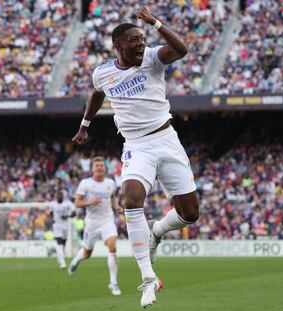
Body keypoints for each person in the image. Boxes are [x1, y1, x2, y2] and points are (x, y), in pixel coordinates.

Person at [72, 7, 199, 308]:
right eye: (134, 40)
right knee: (130, 198)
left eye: (143, 38)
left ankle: (156, 231)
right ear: (119, 46)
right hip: (136, 145)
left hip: (166, 138)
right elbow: (97, 94)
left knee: (190, 214)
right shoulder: (103, 73)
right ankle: (148, 278)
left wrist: (154, 23)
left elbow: (181, 49)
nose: (141, 43)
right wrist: (84, 126)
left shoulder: (154, 59)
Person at [68, 157, 122, 296]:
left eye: (101, 165)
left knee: (113, 247)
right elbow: (77, 203)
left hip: (107, 221)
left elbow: (113, 198)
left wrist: (117, 207)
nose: (99, 167)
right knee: (87, 253)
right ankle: (76, 260)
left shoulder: (110, 183)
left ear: (105, 168)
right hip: (91, 223)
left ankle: (113, 283)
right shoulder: (85, 183)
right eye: (96, 165)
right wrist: (91, 202)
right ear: (92, 169)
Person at [49, 191, 76, 269]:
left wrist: (67, 216)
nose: (59, 197)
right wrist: (52, 219)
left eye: (61, 196)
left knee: (63, 243)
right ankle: (62, 263)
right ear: (56, 197)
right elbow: (50, 213)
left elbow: (74, 213)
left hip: (65, 226)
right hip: (57, 225)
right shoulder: (53, 204)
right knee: (59, 242)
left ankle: (59, 256)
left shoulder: (68, 204)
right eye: (58, 196)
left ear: (63, 197)